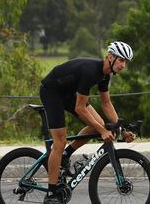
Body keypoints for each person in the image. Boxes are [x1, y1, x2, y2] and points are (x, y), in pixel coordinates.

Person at [40, 41, 137, 204]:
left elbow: (106, 104)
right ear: (111, 57)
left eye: (125, 62)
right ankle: (51, 194)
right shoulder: (91, 71)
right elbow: (80, 108)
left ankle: (66, 155)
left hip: (68, 93)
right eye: (121, 60)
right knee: (60, 141)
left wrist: (122, 130)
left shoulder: (105, 75)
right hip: (52, 92)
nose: (123, 65)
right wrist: (103, 131)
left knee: (98, 124)